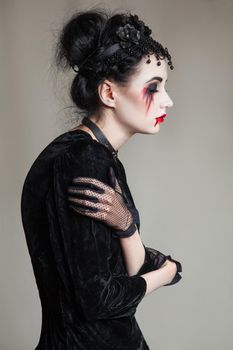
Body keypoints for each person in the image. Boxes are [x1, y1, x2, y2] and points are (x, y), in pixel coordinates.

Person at [20, 8, 182, 350]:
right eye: (154, 87)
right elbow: (98, 300)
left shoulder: (95, 155)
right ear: (109, 94)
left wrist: (127, 228)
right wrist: (164, 274)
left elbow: (120, 265)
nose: (168, 100)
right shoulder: (82, 160)